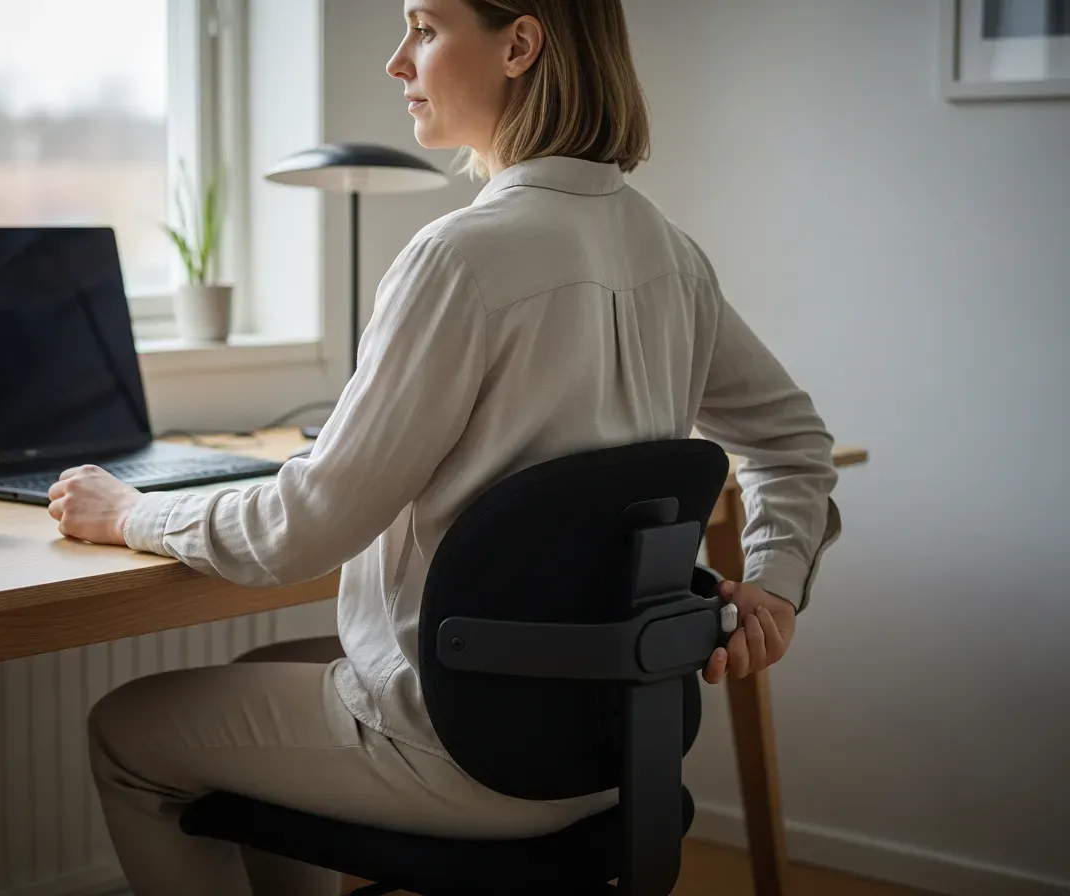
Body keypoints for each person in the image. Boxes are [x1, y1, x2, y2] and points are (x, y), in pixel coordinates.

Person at [46, 1, 841, 894]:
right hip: (616, 735)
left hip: (460, 749)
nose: (397, 61)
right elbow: (795, 439)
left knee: (127, 731)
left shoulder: (459, 258)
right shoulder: (671, 254)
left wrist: (133, 512)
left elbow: (302, 528)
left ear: (520, 44)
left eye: (424, 27)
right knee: (254, 676)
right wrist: (773, 583)